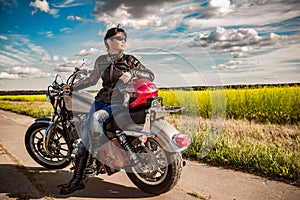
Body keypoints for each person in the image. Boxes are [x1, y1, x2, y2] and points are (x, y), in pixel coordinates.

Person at [59, 25, 155, 195]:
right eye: (120, 38)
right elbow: (92, 79)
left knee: (95, 120)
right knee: (84, 138)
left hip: (118, 103)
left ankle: (96, 160)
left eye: (125, 38)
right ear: (109, 41)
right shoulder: (101, 60)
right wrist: (72, 87)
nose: (124, 41)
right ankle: (77, 180)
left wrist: (133, 74)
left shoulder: (130, 61)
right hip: (100, 101)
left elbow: (149, 74)